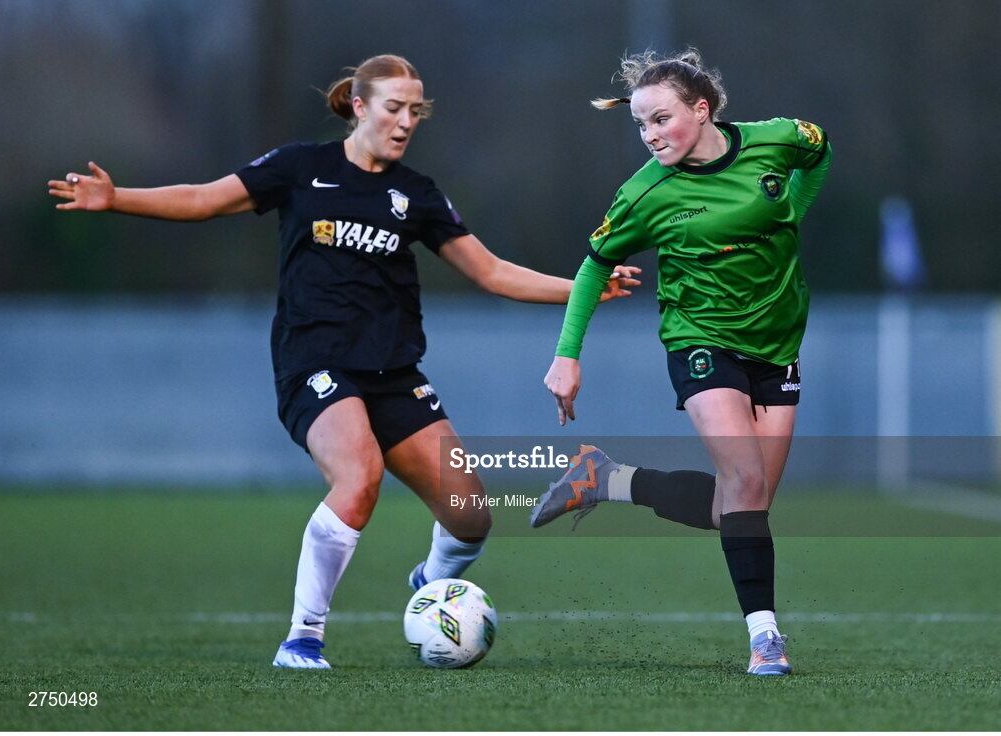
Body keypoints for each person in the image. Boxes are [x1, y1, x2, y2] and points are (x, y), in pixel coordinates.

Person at [48, 54, 640, 670]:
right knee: (359, 478)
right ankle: (302, 638)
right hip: (314, 363)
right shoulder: (300, 167)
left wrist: (584, 287)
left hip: (394, 375)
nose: (406, 120)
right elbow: (202, 198)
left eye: (415, 110)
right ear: (359, 106)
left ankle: (428, 586)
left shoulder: (417, 195)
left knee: (471, 516)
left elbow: (491, 272)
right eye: (393, 107)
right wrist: (117, 198)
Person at [533, 48, 832, 676]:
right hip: (699, 340)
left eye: (661, 120)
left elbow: (819, 149)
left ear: (701, 111)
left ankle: (607, 479)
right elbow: (593, 264)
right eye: (640, 125)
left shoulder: (775, 141)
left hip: (778, 344)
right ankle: (765, 637)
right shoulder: (646, 191)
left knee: (737, 508)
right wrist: (566, 355)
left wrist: (791, 213)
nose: (650, 136)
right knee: (745, 487)